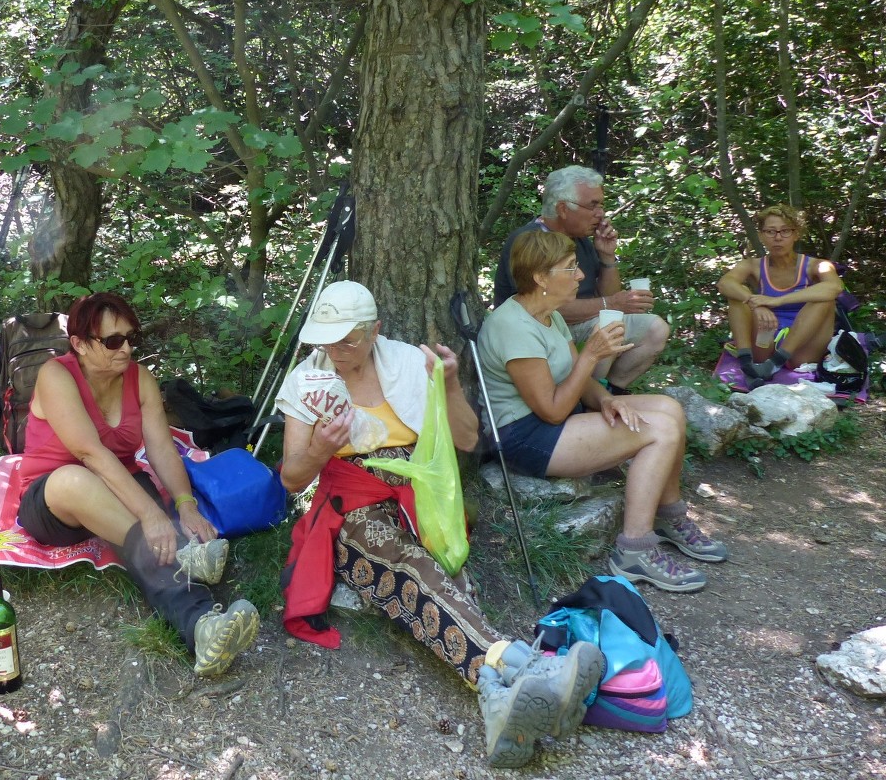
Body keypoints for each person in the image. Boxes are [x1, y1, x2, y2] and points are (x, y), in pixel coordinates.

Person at [275, 280, 604, 770]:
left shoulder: (409, 362)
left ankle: (498, 701)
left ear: (375, 332)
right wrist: (322, 447)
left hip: (421, 496)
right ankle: (526, 665)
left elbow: (469, 439)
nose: (336, 351)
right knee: (411, 567)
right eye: (328, 339)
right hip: (352, 507)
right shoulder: (308, 380)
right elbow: (291, 478)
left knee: (448, 579)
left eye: (348, 339)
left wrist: (448, 382)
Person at [14, 292, 259, 677]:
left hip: (120, 483)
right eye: (112, 341)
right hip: (55, 500)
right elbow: (90, 454)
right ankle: (183, 553)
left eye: (131, 337)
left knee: (152, 548)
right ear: (79, 344)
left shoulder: (140, 378)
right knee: (81, 484)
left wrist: (184, 505)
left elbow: (161, 448)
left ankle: (203, 628)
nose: (126, 348)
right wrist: (150, 514)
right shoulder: (56, 375)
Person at [479, 231, 728, 594]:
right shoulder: (512, 327)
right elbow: (550, 410)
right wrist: (591, 355)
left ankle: (671, 516)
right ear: (540, 278)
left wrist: (605, 399)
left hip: (558, 416)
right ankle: (634, 550)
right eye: (570, 268)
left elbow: (573, 379)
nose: (580, 276)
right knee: (658, 431)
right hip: (527, 436)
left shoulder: (548, 314)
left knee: (669, 409)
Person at [493, 165, 668, 394]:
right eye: (593, 205)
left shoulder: (581, 240)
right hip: (537, 330)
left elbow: (607, 297)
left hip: (578, 323)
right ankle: (586, 396)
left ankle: (609, 391)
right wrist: (612, 304)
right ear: (563, 209)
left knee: (655, 329)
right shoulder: (531, 243)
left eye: (601, 205)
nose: (601, 214)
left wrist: (607, 256)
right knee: (607, 324)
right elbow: (547, 309)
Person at [716, 204, 843, 383]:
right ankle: (748, 365)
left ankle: (774, 364)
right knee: (737, 295)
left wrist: (777, 301)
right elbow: (725, 283)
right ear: (761, 236)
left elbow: (834, 288)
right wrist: (754, 302)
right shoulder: (752, 265)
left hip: (802, 348)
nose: (778, 238)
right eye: (770, 232)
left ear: (796, 234)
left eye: (785, 231)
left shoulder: (816, 265)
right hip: (766, 339)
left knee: (824, 299)